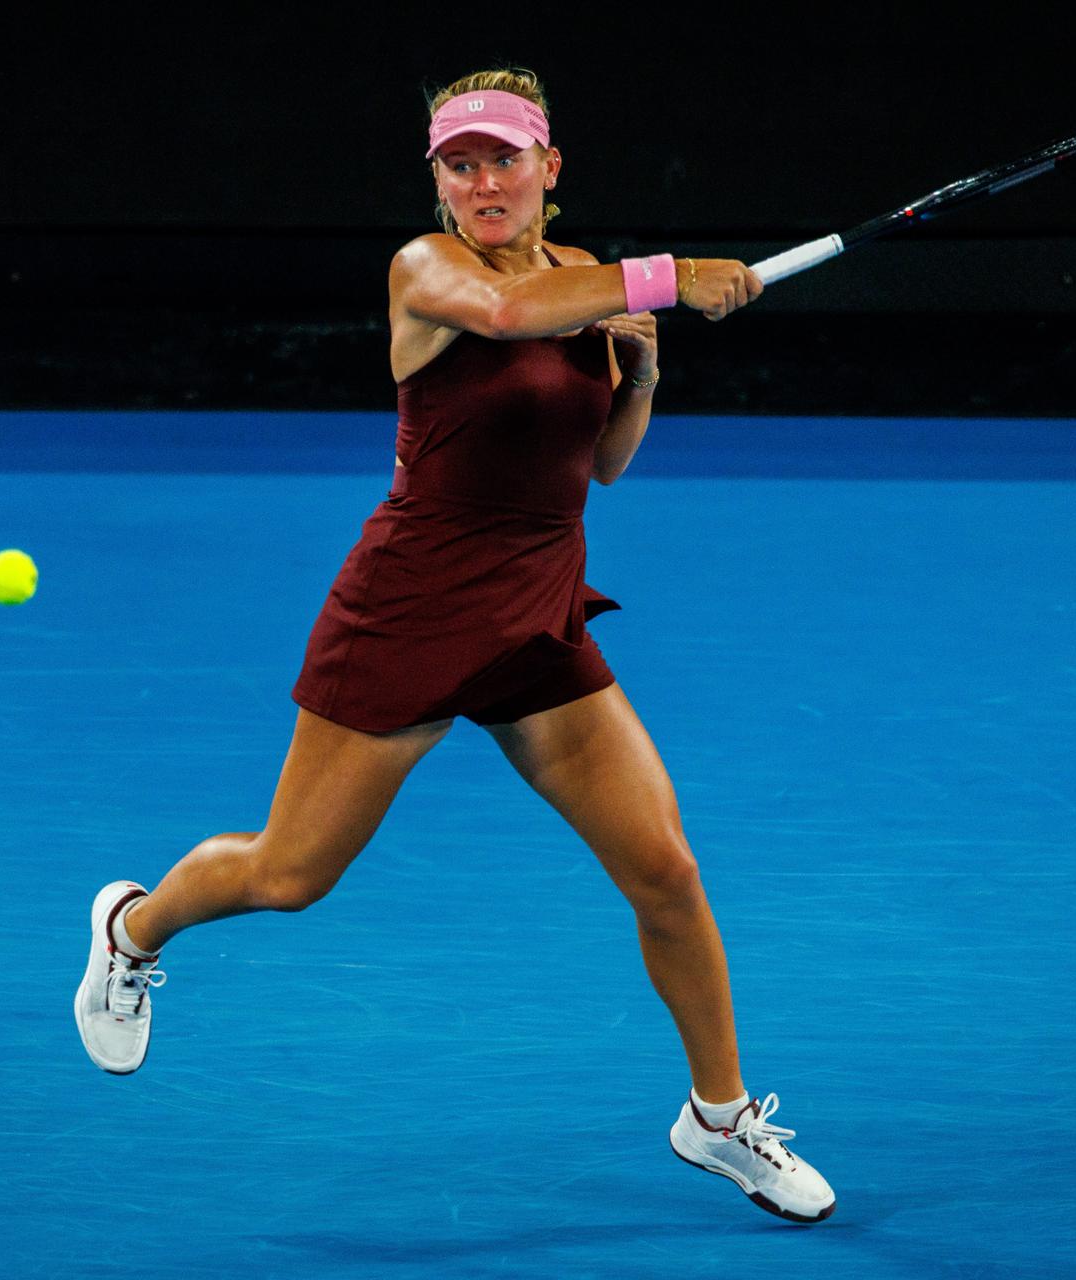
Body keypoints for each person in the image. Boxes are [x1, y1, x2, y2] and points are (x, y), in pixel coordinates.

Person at [75, 67, 836, 1224]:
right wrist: (673, 277)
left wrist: (642, 372)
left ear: (549, 170)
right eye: (459, 163)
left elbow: (601, 466)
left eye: (504, 158)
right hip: (411, 612)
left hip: (535, 614)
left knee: (667, 872)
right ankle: (132, 925)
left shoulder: (578, 290)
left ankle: (720, 1120)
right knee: (291, 873)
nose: (484, 181)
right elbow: (503, 316)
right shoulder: (429, 274)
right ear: (437, 181)